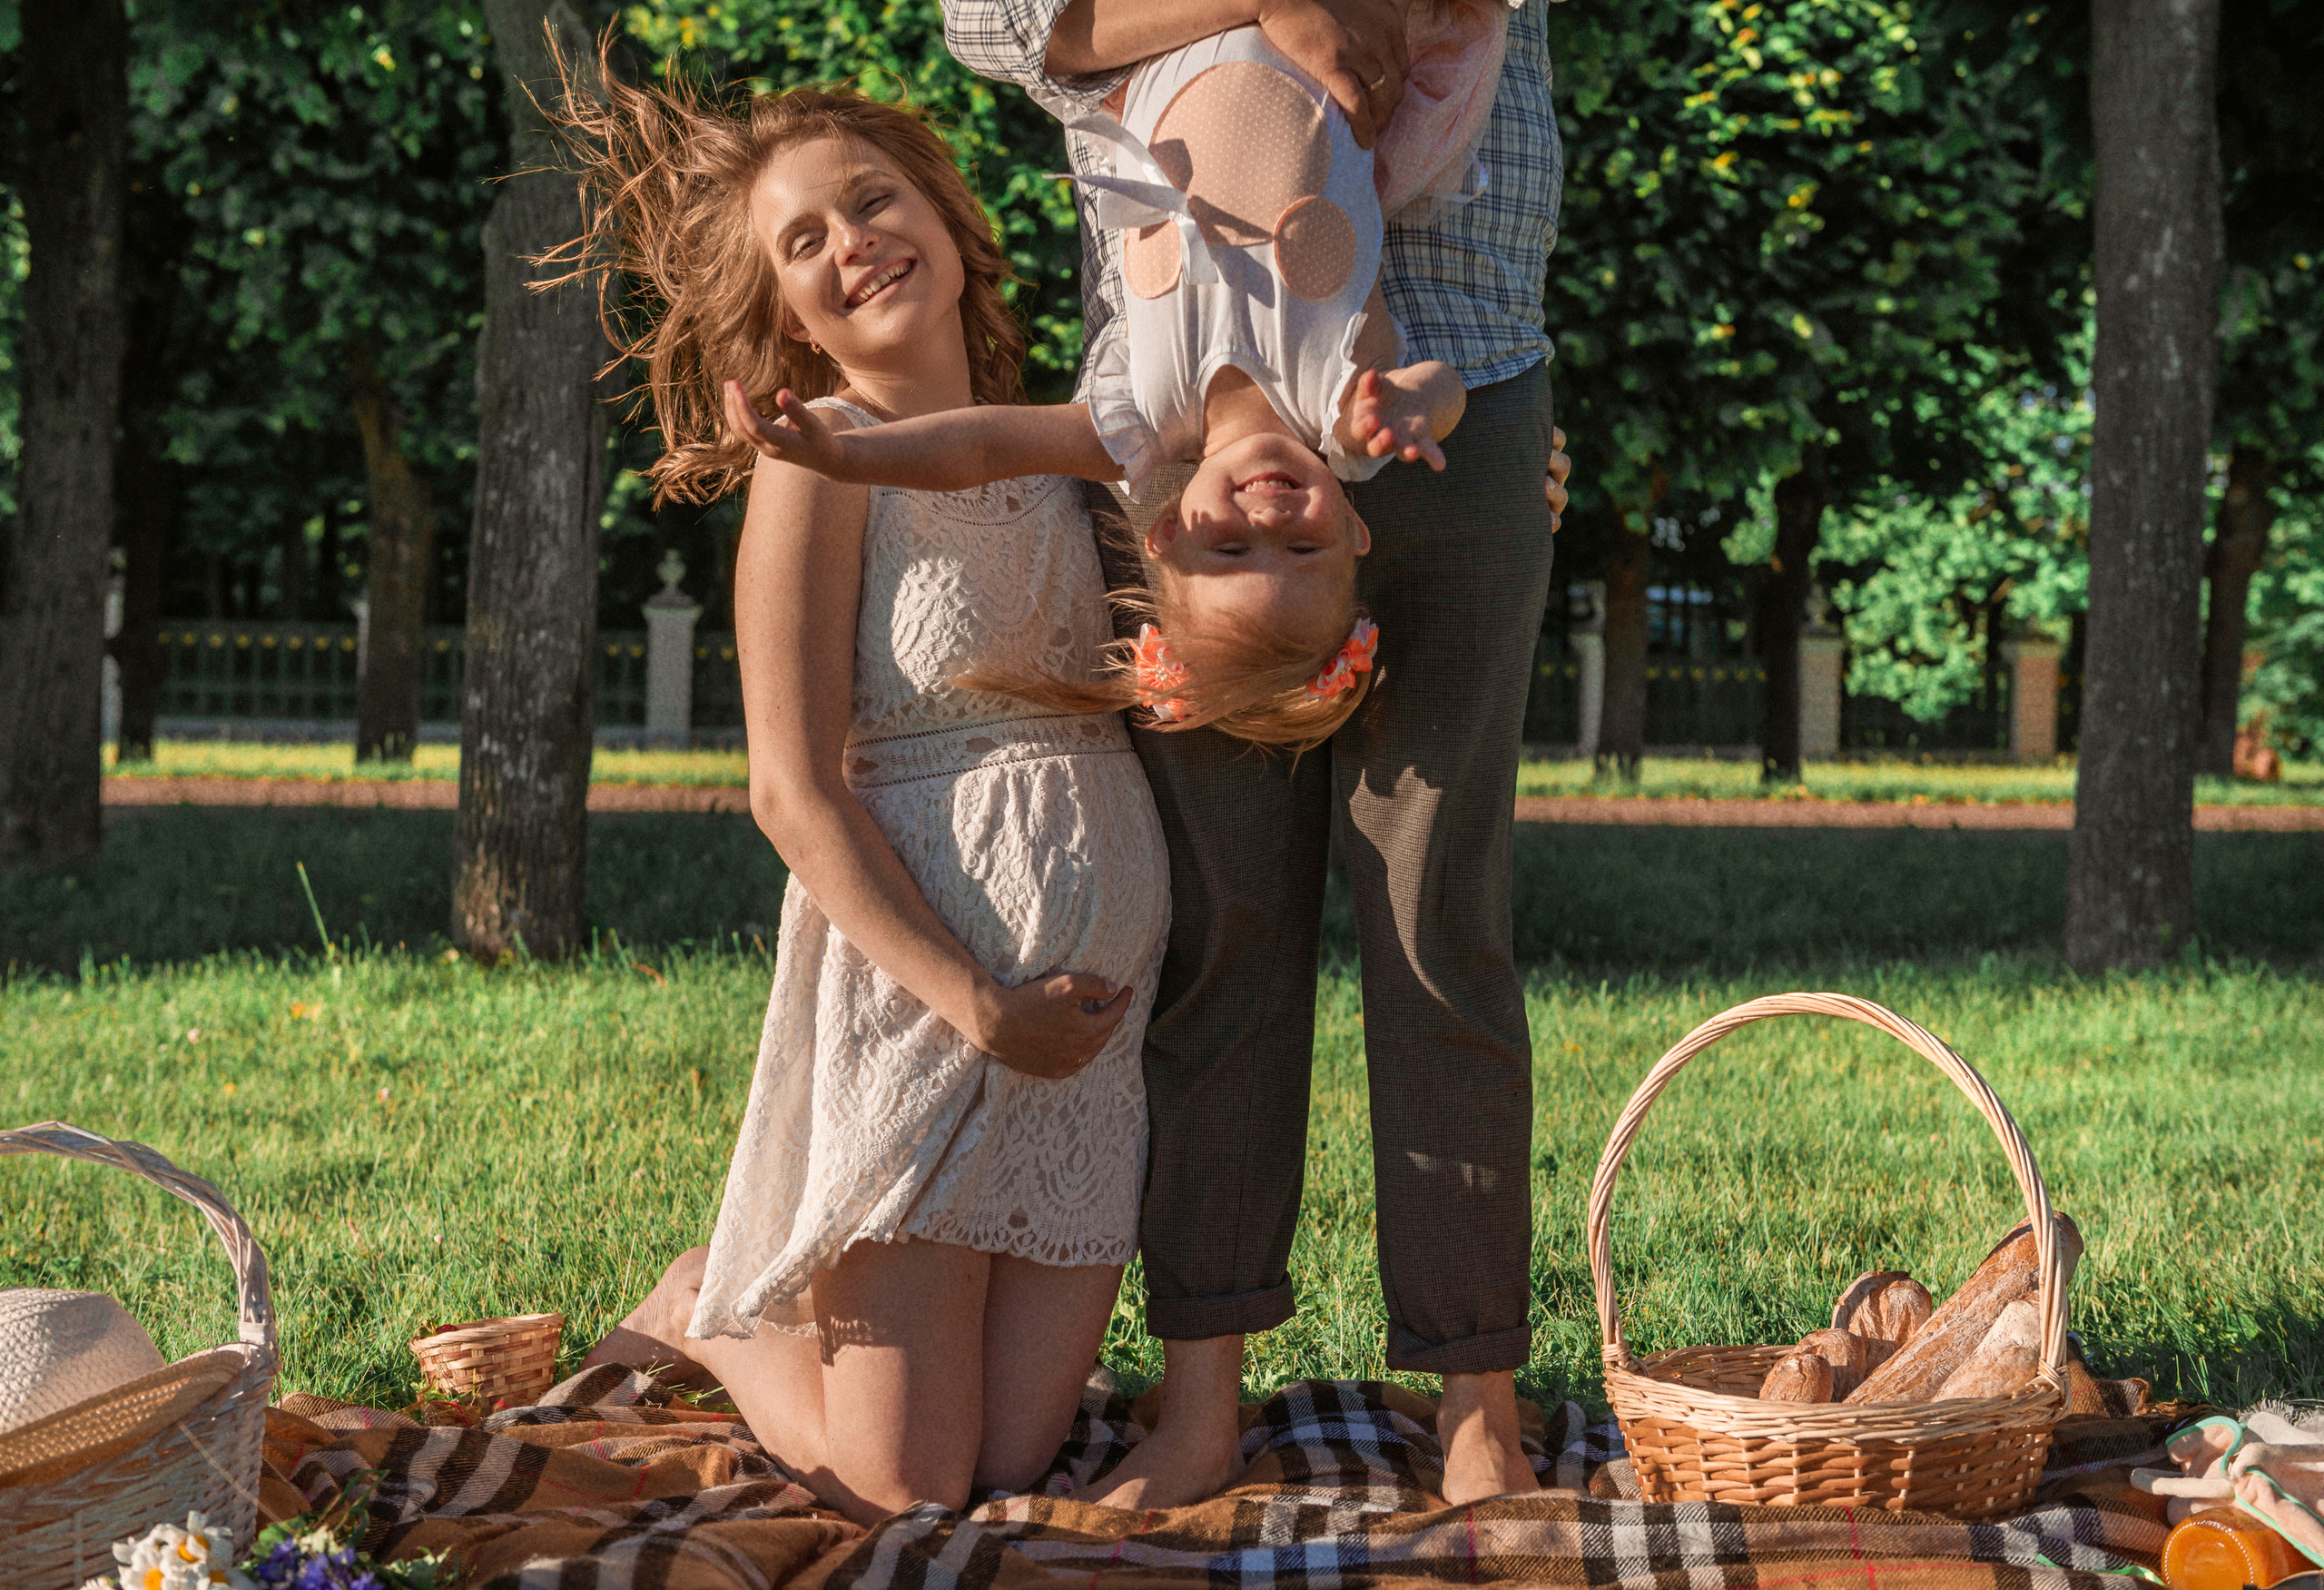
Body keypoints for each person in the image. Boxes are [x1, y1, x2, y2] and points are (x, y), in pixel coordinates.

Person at [943, 0, 1565, 1508]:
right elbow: (1002, 23)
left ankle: (1479, 1398)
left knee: (1442, 927)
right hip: (1192, 453)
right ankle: (1200, 1398)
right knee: (1224, 927)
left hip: (1459, 380)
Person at [558, 64, 1171, 1526]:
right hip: (925, 1007)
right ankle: (715, 1307)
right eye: (803, 242)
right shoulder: (817, 468)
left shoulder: (1070, 438)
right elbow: (788, 789)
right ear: (787, 315)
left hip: (1087, 1038)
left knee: (1013, 1460)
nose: (853, 243)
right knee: (904, 1481)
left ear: (951, 221)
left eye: (873, 199)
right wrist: (974, 999)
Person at [723, 10, 1486, 749]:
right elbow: (1442, 382)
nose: (1267, 520)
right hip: (1332, 47)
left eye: (1229, 551)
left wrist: (854, 456)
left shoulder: (1137, 421)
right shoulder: (1347, 414)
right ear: (1354, 533)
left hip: (1172, 51)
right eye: (1302, 548)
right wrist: (1418, 402)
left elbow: (986, 450)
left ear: (1164, 533)